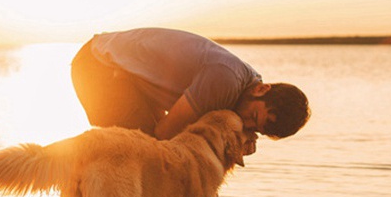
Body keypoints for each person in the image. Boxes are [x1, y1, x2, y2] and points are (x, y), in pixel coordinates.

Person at [70, 28, 310, 145]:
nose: (244, 124)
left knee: (152, 151)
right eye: (253, 116)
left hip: (125, 76)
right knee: (148, 149)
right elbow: (165, 136)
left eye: (255, 129)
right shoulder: (225, 81)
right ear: (262, 89)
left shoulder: (247, 82)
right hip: (98, 66)